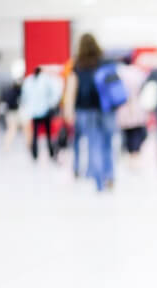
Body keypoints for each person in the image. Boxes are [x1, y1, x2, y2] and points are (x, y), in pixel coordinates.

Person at [64, 33, 115, 190]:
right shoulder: (106, 62)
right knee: (107, 144)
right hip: (107, 109)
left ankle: (99, 181)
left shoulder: (78, 65)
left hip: (86, 111)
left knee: (94, 144)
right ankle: (110, 176)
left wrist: (68, 112)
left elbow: (71, 91)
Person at [20, 67, 62, 161]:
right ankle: (49, 153)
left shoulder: (28, 81)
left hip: (35, 111)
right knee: (47, 133)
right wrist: (52, 103)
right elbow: (55, 93)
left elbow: (24, 97)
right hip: (43, 110)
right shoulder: (45, 80)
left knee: (36, 133)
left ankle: (36, 154)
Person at [116, 57, 148, 168]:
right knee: (136, 133)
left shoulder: (119, 72)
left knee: (126, 133)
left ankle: (127, 156)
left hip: (123, 107)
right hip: (136, 106)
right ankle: (134, 158)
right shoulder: (138, 73)